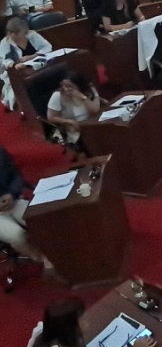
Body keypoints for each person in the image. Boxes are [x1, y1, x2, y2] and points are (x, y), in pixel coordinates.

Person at [1, 147, 53, 284]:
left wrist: (12, 193)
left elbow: (15, 175)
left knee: (40, 219)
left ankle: (57, 252)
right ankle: (44, 258)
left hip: (12, 201)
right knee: (17, 235)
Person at [1, 17, 53, 109]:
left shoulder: (33, 35)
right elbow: (4, 60)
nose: (13, 35)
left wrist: (32, 56)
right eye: (11, 32)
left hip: (37, 65)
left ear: (24, 30)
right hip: (18, 71)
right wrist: (14, 65)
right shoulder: (5, 42)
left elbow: (48, 47)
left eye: (16, 32)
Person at [46, 71, 101, 145]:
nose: (66, 89)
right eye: (63, 85)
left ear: (79, 85)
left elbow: (94, 110)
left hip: (95, 126)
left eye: (70, 86)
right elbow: (51, 117)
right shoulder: (58, 95)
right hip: (77, 132)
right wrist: (69, 121)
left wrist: (82, 97)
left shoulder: (89, 89)